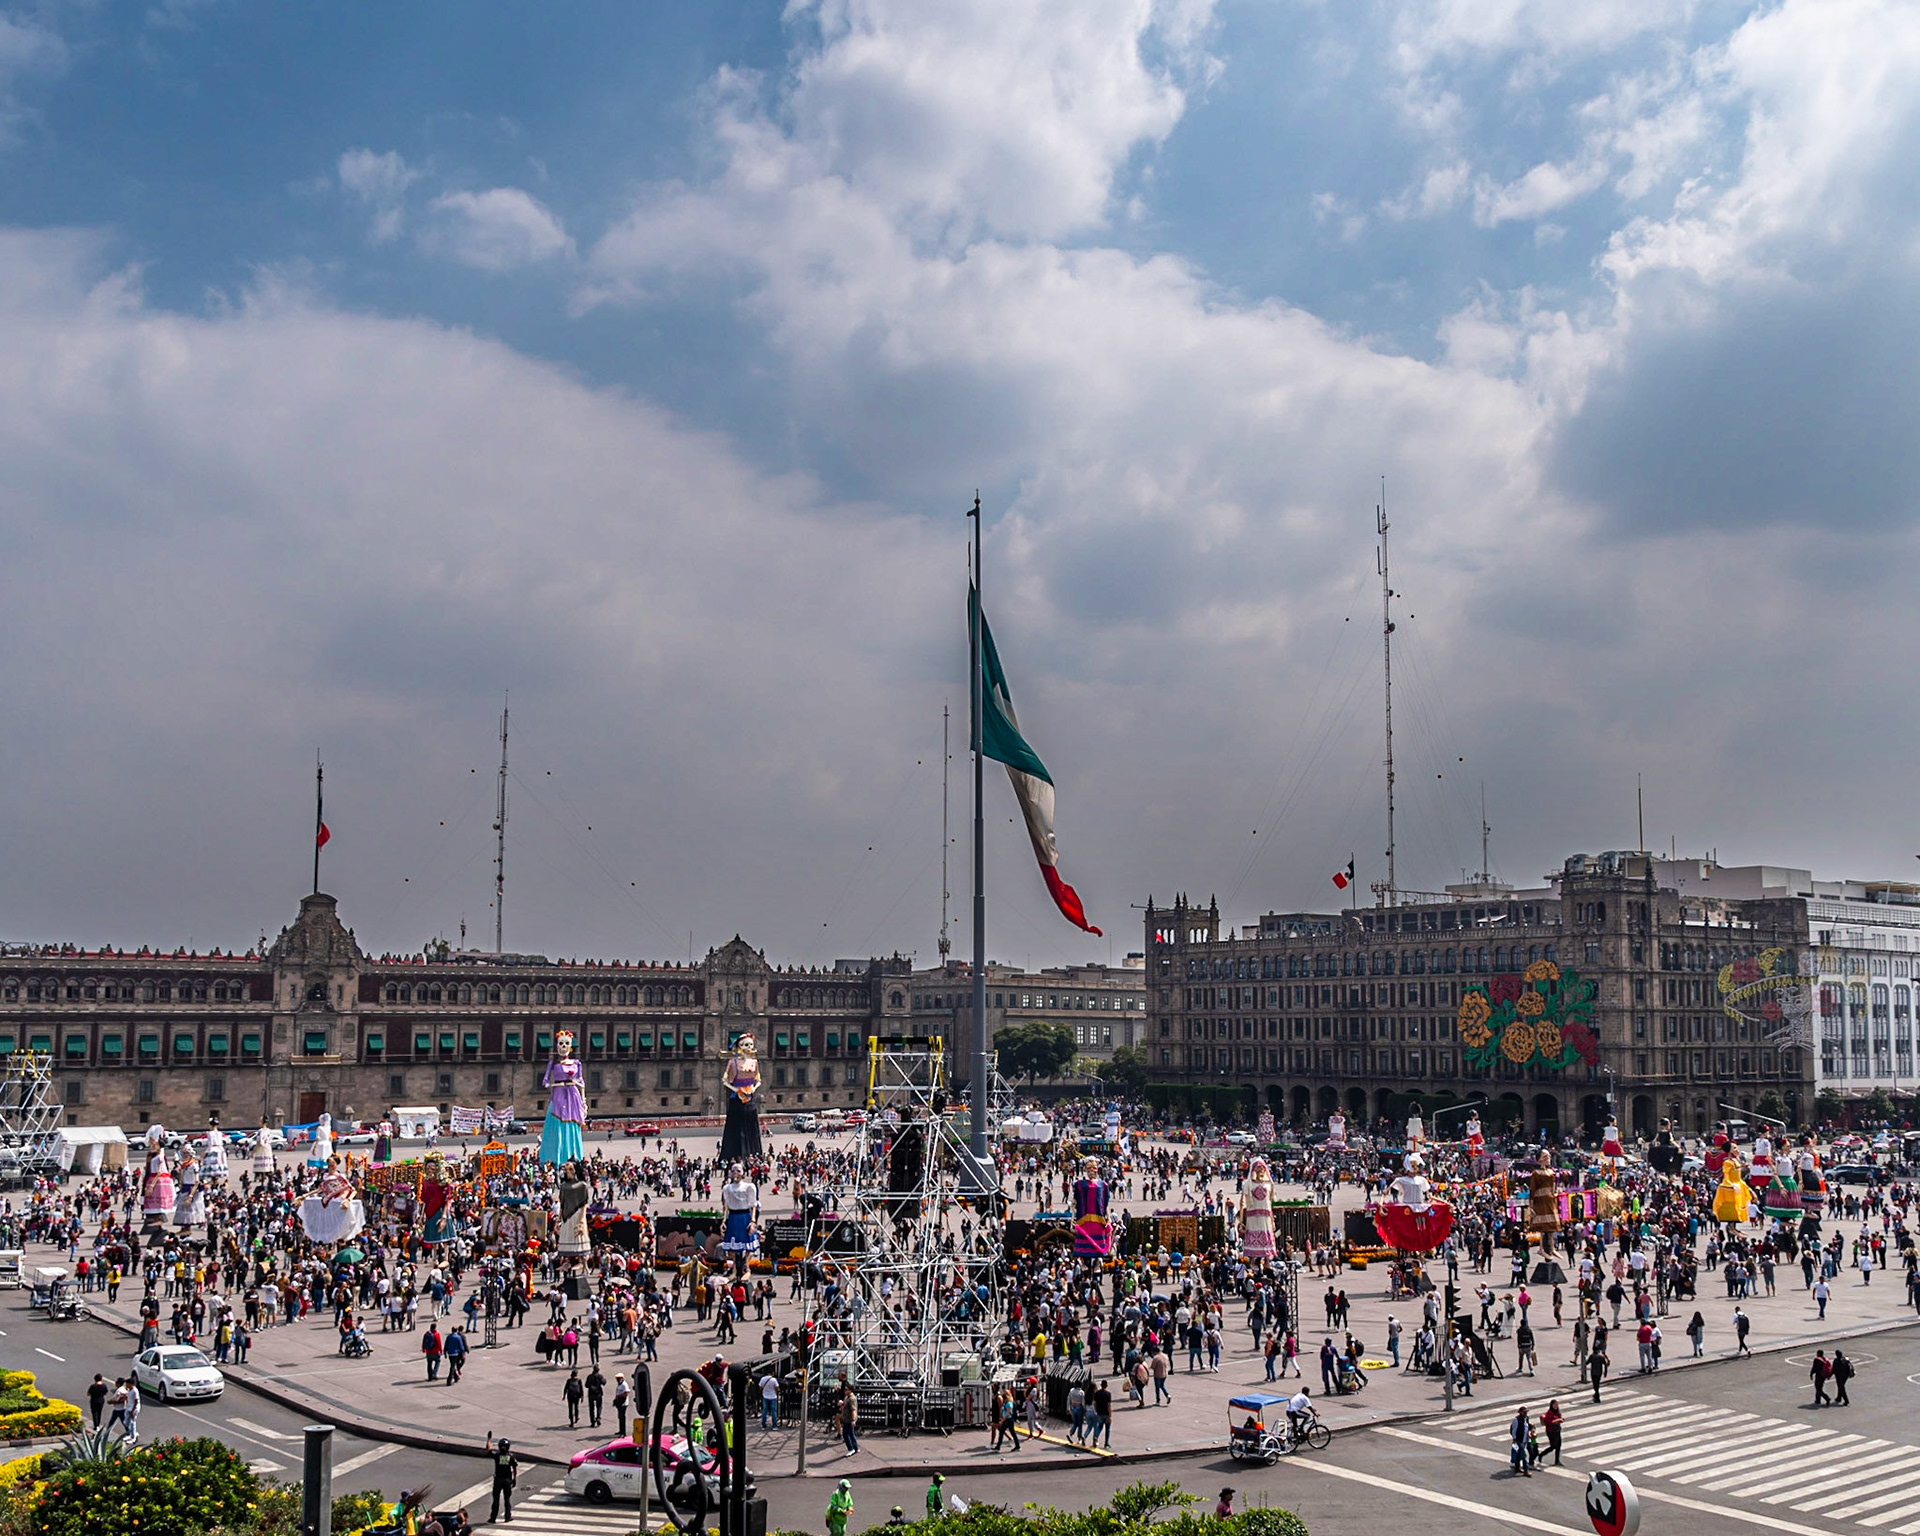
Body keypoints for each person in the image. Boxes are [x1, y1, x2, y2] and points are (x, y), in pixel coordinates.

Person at [486, 1433, 519, 1524]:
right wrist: (514, 1479)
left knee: (496, 1499)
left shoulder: (497, 1455)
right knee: (507, 1499)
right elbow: (515, 1468)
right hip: (507, 1480)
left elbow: (488, 1450)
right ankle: (507, 1517)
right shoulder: (510, 1457)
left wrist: (489, 1439)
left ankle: (493, 1518)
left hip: (498, 1480)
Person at [1541, 1399, 1564, 1466]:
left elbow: (1560, 1417)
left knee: (1558, 1446)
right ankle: (1541, 1454)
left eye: (1557, 1405)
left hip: (1557, 1431)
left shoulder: (1558, 1412)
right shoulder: (1549, 1413)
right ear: (1552, 1405)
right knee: (1553, 1446)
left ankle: (1557, 1461)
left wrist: (1561, 1419)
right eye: (1555, 1405)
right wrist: (1556, 1420)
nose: (1556, 1406)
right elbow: (1548, 1422)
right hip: (1551, 1431)